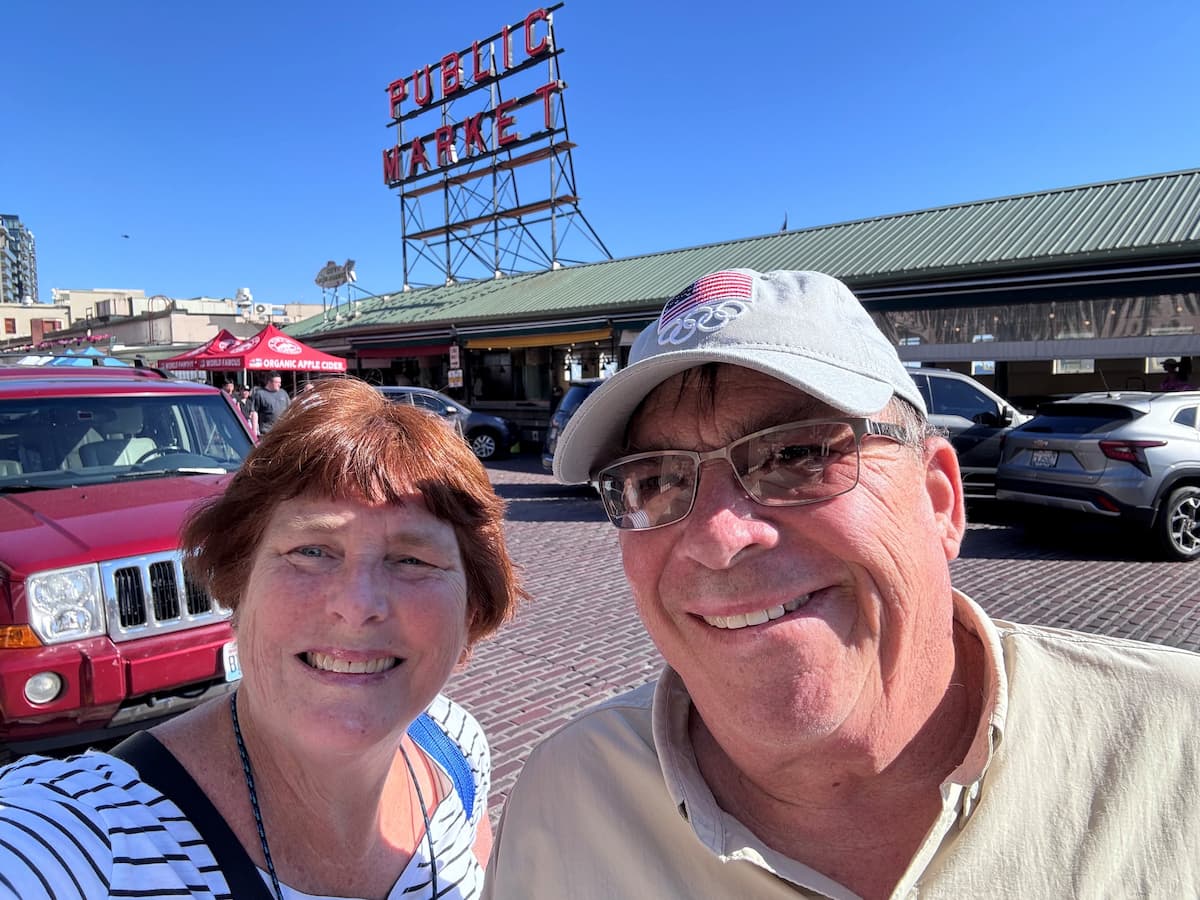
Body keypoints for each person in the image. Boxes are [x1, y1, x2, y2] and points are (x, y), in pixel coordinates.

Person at [483, 269, 1200, 899]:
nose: (719, 536)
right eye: (656, 481)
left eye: (797, 453)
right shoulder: (568, 800)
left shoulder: (1176, 745)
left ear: (940, 500)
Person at [0, 377, 527, 898]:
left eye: (412, 559)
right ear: (237, 585)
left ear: (470, 615)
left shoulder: (456, 749)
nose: (358, 605)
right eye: (312, 551)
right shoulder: (80, 846)